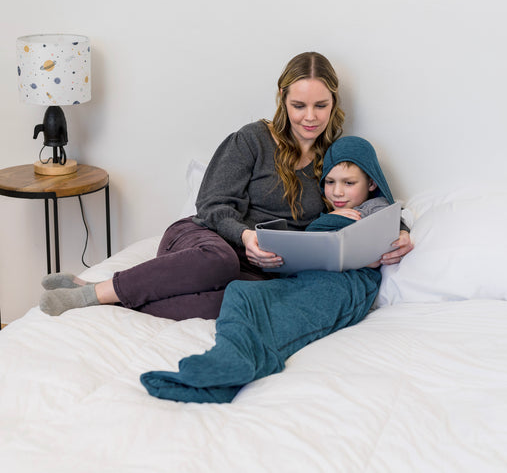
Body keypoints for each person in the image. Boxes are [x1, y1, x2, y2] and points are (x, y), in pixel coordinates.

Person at [39, 52, 413, 321]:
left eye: (321, 105)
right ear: (283, 99)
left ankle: (106, 293)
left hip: (261, 268)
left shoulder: (337, 157)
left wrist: (399, 232)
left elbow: (376, 198)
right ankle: (92, 293)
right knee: (219, 262)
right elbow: (211, 205)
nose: (310, 117)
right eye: (299, 105)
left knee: (237, 300)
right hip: (203, 240)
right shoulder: (252, 139)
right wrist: (247, 236)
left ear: (334, 104)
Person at [140, 136, 397, 403]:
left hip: (345, 289)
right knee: (240, 291)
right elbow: (313, 239)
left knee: (281, 321)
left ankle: (234, 365)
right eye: (330, 182)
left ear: (372, 183)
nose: (338, 192)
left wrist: (399, 232)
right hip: (307, 280)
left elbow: (382, 231)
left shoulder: (375, 209)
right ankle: (229, 359)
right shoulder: (331, 212)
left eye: (349, 183)